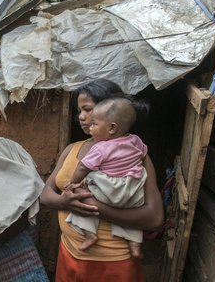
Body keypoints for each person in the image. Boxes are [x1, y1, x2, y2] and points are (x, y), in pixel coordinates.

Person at [40, 79, 164, 281]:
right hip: (69, 252)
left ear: (110, 111)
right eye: (79, 110)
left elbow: (155, 218)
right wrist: (64, 202)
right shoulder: (72, 149)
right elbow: (45, 194)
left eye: (88, 109)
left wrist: (93, 206)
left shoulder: (134, 156)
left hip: (113, 263)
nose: (81, 117)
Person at [64, 97, 149, 259]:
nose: (91, 128)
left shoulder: (100, 148)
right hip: (132, 192)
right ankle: (135, 245)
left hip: (109, 190)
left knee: (82, 196)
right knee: (132, 213)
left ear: (112, 128)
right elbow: (143, 154)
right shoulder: (136, 140)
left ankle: (90, 234)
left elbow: (83, 167)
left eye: (95, 124)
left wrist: (73, 183)